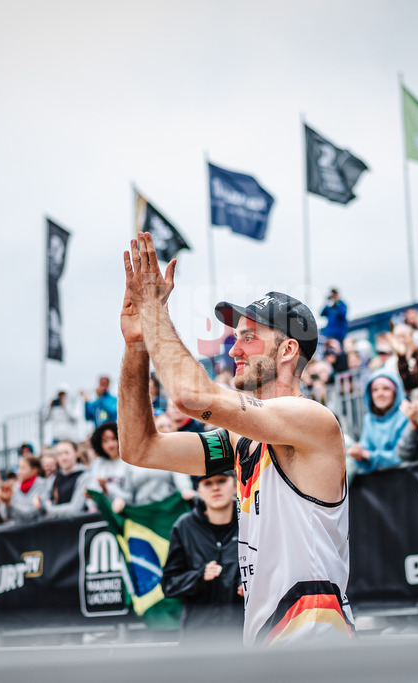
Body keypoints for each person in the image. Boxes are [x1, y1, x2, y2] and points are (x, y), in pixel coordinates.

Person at [117, 233, 355, 646]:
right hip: (270, 639)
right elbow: (139, 447)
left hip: (314, 638)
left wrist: (154, 309)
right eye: (236, 336)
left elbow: (191, 396)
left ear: (287, 351)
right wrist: (137, 343)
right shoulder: (241, 440)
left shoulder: (311, 419)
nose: (234, 348)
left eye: (248, 337)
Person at [162, 472, 245, 641]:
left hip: (242, 634)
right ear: (198, 489)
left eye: (221, 481)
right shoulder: (184, 526)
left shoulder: (251, 522)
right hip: (198, 637)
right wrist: (199, 576)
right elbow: (169, 584)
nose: (215, 487)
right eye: (207, 483)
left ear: (235, 485)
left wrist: (249, 584)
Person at [346, 370, 408, 475]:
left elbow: (401, 456)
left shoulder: (405, 416)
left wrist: (368, 455)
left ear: (395, 392)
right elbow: (365, 456)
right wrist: (358, 455)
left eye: (386, 389)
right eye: (375, 390)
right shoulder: (369, 419)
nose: (380, 394)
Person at [84, 421, 130, 512]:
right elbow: (93, 494)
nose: (110, 445)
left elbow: (130, 495)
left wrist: (106, 489)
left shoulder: (129, 463)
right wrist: (91, 496)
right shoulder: (98, 464)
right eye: (105, 441)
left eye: (113, 439)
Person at [43, 440, 89, 518]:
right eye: (60, 454)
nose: (64, 458)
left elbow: (75, 509)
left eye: (67, 453)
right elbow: (44, 502)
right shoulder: (53, 479)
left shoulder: (85, 476)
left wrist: (51, 509)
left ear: (76, 453)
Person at [9, 454, 49, 524]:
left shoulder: (43, 485)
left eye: (23, 468)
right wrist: (6, 503)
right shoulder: (16, 487)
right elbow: (8, 515)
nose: (19, 472)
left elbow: (33, 514)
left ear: (34, 470)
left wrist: (10, 504)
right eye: (19, 468)